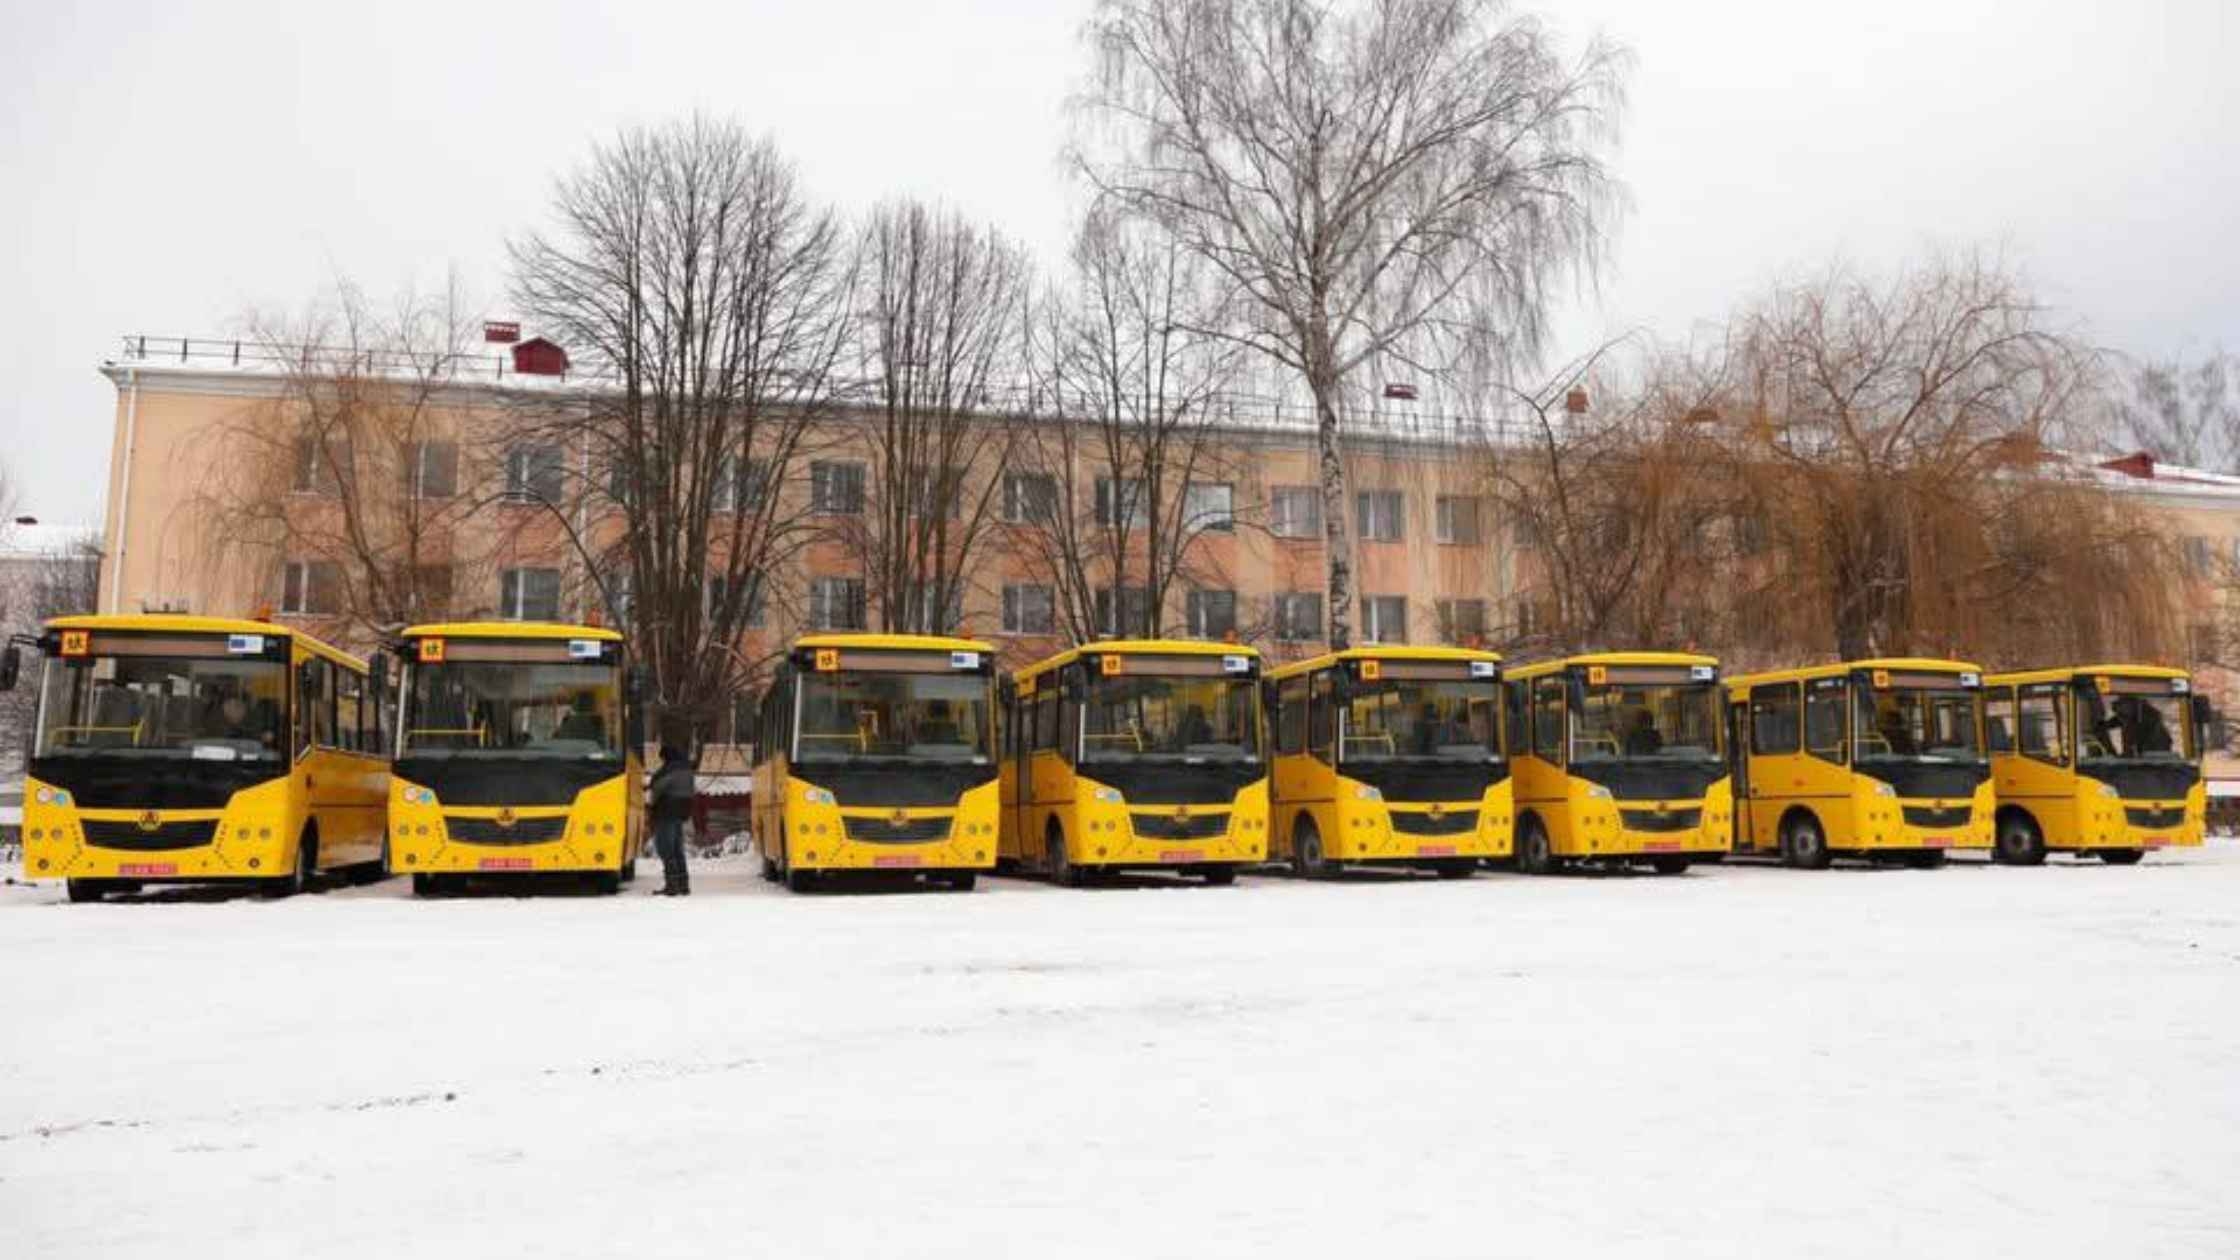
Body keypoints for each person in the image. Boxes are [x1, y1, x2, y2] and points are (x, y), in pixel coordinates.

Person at [647, 744, 696, 896]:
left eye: (662, 758)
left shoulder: (668, 770)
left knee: (666, 849)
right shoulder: (687, 770)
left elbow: (657, 787)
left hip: (665, 812)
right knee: (677, 849)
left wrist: (651, 802)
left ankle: (672, 885)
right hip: (681, 813)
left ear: (666, 757)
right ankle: (683, 884)